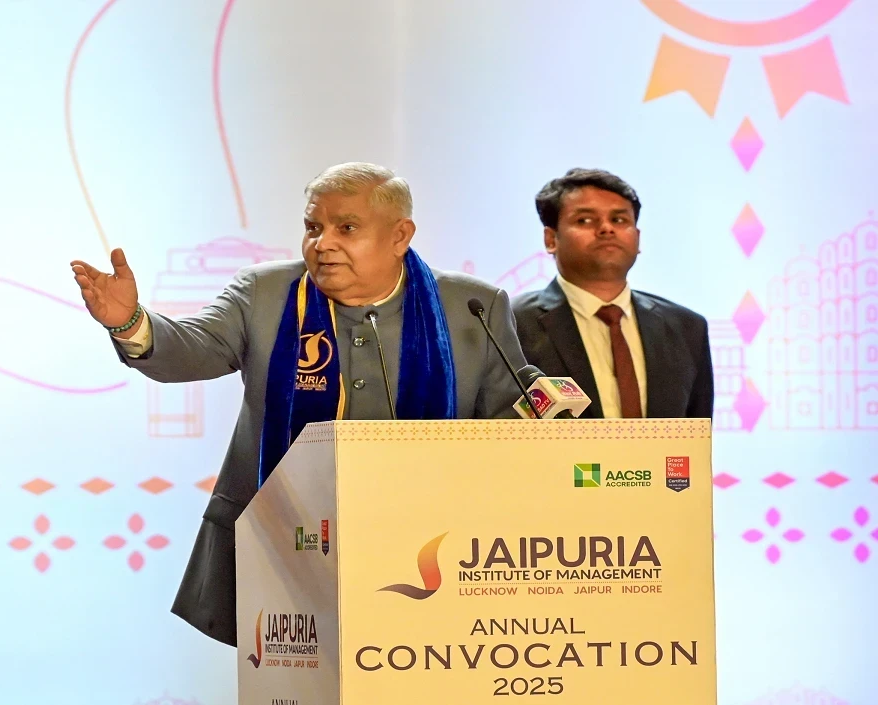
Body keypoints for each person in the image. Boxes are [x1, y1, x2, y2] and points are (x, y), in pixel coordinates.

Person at [70, 162, 529, 646]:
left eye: (346, 228)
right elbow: (193, 348)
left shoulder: (472, 307)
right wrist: (130, 323)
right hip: (281, 544)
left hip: (432, 555)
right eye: (313, 227)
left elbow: (515, 430)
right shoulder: (264, 293)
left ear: (400, 236)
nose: (323, 243)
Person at [511, 168, 713, 419]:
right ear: (551, 239)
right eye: (585, 221)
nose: (606, 228)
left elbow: (697, 435)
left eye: (619, 220)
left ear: (637, 237)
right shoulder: (510, 323)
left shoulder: (686, 327)